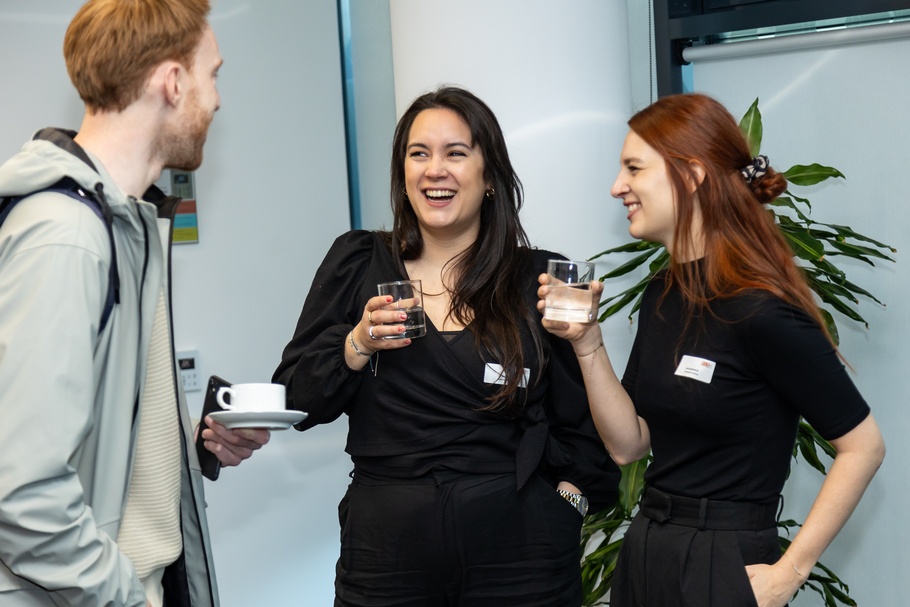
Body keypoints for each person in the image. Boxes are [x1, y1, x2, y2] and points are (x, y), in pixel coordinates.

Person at [273, 86, 620, 606]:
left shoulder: (539, 279)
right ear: (403, 175)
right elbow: (296, 400)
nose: (435, 169)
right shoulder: (359, 263)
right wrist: (357, 343)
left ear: (490, 179)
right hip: (387, 551)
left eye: (456, 153)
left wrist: (565, 504)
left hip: (522, 550)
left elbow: (586, 424)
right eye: (419, 154)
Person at [539, 92, 885, 607]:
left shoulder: (762, 310)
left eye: (634, 168)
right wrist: (587, 344)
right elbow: (629, 444)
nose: (617, 187)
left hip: (725, 561)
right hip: (649, 546)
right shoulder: (664, 291)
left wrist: (790, 571)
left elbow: (864, 446)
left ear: (692, 174)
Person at [0, 1, 270, 606]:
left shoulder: (129, 224)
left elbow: (101, 427)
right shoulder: (66, 236)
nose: (218, 99)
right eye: (213, 74)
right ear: (173, 82)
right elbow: (24, 493)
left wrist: (196, 441)